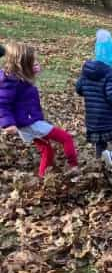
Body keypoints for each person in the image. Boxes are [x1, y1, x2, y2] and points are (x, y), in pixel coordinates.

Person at [0, 43, 78, 178]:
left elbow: (26, 83)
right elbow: (3, 104)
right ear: (22, 64)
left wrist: (34, 70)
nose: (36, 64)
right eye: (33, 61)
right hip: (29, 123)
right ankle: (74, 167)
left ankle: (42, 178)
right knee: (66, 138)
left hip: (28, 120)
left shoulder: (19, 76)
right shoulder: (11, 81)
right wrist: (8, 123)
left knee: (47, 150)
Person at [76, 29, 112, 168]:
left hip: (93, 118)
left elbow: (79, 88)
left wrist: (92, 92)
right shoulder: (111, 73)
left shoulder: (87, 70)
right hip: (109, 117)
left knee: (100, 142)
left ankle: (99, 165)